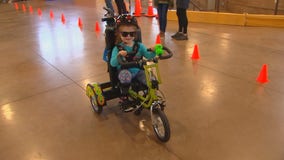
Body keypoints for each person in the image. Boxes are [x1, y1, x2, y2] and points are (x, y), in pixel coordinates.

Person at [110, 15, 156, 112]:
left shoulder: (139, 46)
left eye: (132, 33)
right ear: (119, 33)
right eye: (125, 34)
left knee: (151, 79)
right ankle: (124, 98)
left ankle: (149, 96)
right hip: (125, 71)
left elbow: (148, 56)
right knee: (125, 76)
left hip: (138, 71)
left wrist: (154, 51)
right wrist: (119, 55)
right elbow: (113, 64)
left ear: (136, 34)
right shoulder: (117, 48)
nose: (128, 36)